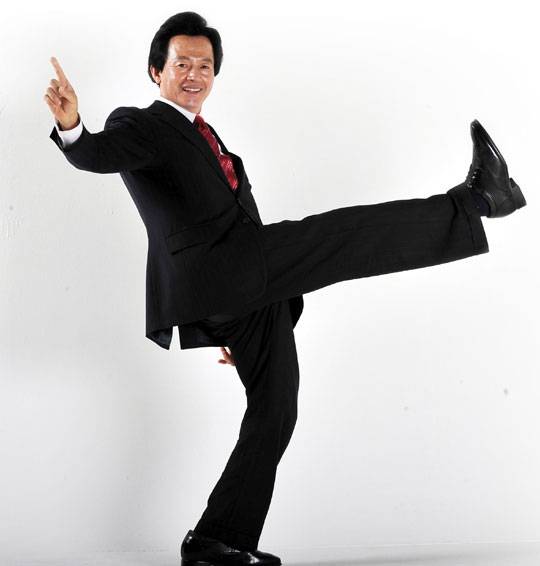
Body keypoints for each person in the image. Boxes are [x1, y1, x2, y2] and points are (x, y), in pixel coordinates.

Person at [44, 11, 526, 566]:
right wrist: (73, 126)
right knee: (344, 235)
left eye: (205, 66)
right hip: (225, 272)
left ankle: (216, 541)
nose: (194, 75)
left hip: (246, 289)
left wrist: (234, 318)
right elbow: (98, 153)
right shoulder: (143, 125)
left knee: (276, 408)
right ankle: (478, 199)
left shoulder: (209, 137)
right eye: (182, 64)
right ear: (157, 71)